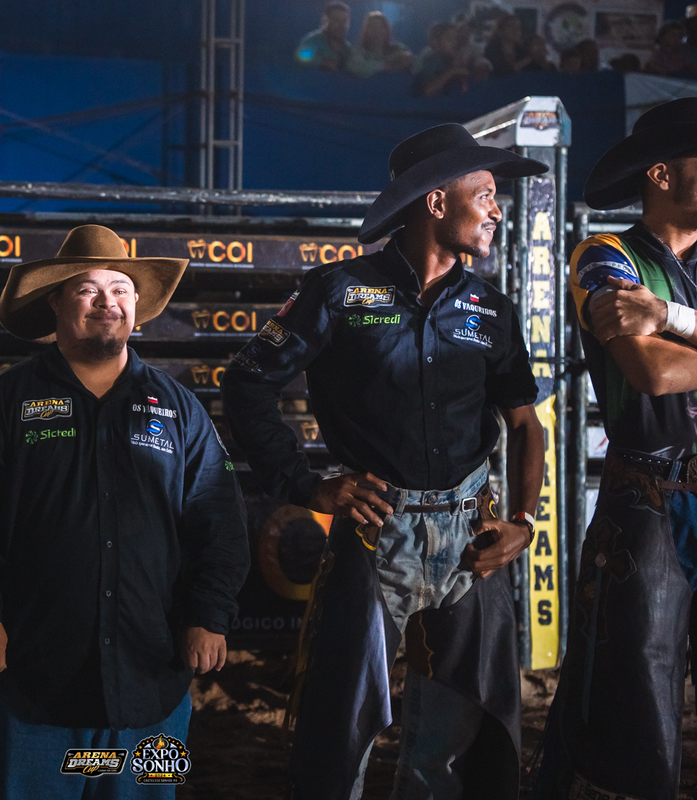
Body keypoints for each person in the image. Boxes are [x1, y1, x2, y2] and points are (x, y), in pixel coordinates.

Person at [223, 124, 547, 800]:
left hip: (472, 535)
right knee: (341, 721)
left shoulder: (491, 309)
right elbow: (247, 382)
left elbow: (525, 424)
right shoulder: (337, 290)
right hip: (376, 533)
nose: (497, 210)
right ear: (436, 201)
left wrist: (522, 521)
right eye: (485, 194)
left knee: (465, 728)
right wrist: (307, 484)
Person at [0, 225, 250, 800]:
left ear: (137, 306)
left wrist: (211, 615)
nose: (108, 303)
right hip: (33, 677)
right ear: (55, 303)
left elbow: (219, 518)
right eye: (88, 290)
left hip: (152, 678)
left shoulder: (179, 410)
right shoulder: (1, 402)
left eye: (121, 289)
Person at [534, 96, 697, 800]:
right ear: (661, 172)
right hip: (650, 501)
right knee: (637, 712)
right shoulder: (603, 256)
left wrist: (671, 316)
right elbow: (650, 372)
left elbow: (666, 352)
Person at [412, 22, 490, 97]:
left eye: (455, 39)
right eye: (449, 38)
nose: (454, 42)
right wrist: (453, 71)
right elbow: (427, 90)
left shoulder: (459, 57)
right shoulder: (431, 59)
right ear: (435, 43)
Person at [345, 11, 413, 78]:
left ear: (387, 29)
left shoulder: (398, 49)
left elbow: (414, 65)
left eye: (381, 27)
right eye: (373, 27)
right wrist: (386, 65)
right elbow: (353, 67)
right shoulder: (359, 54)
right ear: (366, 31)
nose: (377, 30)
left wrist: (408, 60)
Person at [296, 2, 353, 71]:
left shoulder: (346, 48)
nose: (341, 25)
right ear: (324, 21)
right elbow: (301, 55)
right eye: (336, 20)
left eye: (345, 21)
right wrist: (323, 61)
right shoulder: (315, 40)